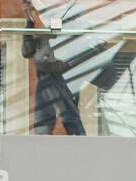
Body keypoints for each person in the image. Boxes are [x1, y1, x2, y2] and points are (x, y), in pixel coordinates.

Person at [21, 0, 87, 136]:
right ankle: (40, 149)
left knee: (68, 115)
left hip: (60, 73)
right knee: (44, 121)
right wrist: (29, 22)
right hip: (46, 74)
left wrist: (39, 16)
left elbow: (58, 37)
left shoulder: (60, 14)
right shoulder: (37, 23)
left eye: (29, 4)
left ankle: (80, 143)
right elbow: (27, 51)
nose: (27, 7)